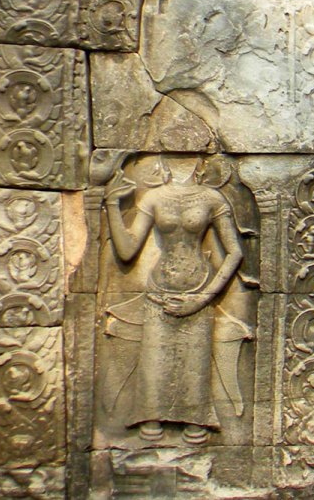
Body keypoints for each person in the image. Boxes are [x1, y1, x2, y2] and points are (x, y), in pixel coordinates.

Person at [102, 155, 250, 444]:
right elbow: (127, 249)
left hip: (199, 291)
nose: (181, 168)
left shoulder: (212, 198)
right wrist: (110, 205)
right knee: (154, 367)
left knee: (195, 371)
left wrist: (203, 297)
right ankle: (150, 421)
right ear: (164, 165)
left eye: (191, 160)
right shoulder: (155, 197)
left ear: (202, 165)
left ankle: (195, 421)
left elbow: (235, 252)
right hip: (160, 292)